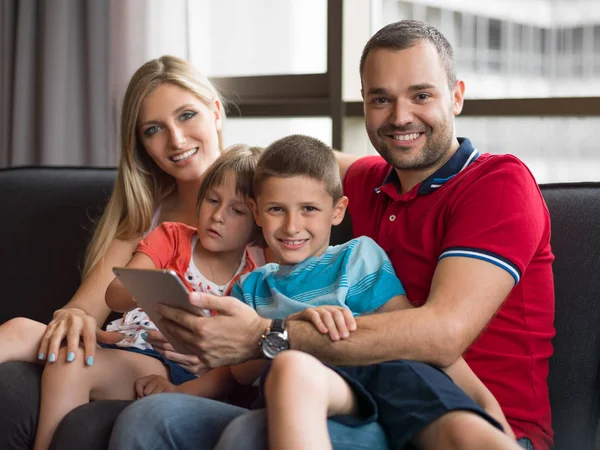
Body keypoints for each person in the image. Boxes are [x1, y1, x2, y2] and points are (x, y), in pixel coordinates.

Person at [109, 21, 554, 450]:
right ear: (363, 103)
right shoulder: (370, 182)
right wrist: (197, 154)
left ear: (456, 97)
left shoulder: (498, 183)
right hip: (351, 393)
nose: (400, 117)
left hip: (475, 419)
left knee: (252, 434)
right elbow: (287, 165)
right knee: (149, 420)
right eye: (381, 99)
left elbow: (443, 334)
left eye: (421, 95)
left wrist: (267, 335)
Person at [0, 55, 231, 450]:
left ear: (216, 112)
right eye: (153, 130)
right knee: (21, 329)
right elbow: (84, 309)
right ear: (140, 144)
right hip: (128, 348)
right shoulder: (147, 215)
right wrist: (74, 317)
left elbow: (329, 168)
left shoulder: (265, 189)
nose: (175, 140)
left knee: (71, 363)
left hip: (191, 369)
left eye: (187, 115)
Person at [231, 134, 519, 450]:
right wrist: (293, 328)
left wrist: (486, 404)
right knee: (289, 373)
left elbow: (414, 333)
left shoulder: (356, 258)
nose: (291, 225)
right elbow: (240, 369)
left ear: (338, 211)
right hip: (309, 392)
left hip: (380, 380)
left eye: (309, 209)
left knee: (464, 429)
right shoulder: (250, 287)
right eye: (276, 209)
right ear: (256, 212)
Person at [0, 145, 264, 450]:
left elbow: (228, 372)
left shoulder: (251, 280)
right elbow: (114, 294)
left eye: (237, 210)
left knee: (69, 363)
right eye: (212, 200)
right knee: (19, 328)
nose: (217, 216)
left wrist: (182, 391)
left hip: (163, 363)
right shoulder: (171, 236)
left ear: (256, 222)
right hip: (117, 339)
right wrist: (151, 292)